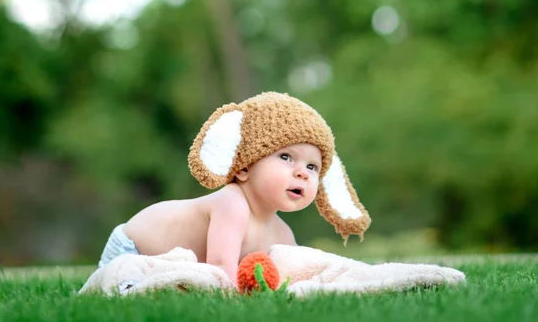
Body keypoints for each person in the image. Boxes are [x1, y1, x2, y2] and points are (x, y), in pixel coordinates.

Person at [97, 91, 371, 286]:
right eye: (286, 157)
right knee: (132, 287)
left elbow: (298, 272)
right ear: (243, 167)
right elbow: (220, 270)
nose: (302, 172)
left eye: (313, 167)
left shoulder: (282, 233)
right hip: (132, 249)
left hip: (165, 259)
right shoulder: (232, 203)